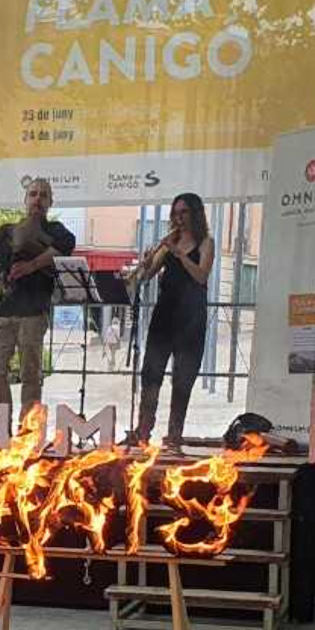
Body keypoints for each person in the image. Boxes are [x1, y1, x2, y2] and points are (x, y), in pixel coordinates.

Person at [127, 192, 215, 448]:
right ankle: (143, 430)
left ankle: (174, 434)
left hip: (191, 317)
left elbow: (201, 276)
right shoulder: (168, 243)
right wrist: (147, 262)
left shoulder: (206, 242)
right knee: (151, 371)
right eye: (175, 213)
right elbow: (147, 275)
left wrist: (180, 254)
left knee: (183, 375)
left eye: (184, 212)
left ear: (195, 214)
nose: (179, 218)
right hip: (165, 313)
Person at [0, 177, 76, 418]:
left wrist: (32, 265)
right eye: (33, 194)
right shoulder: (8, 232)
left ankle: (27, 430)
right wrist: (3, 277)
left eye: (43, 195)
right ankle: (2, 427)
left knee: (30, 373)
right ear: (25, 200)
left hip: (34, 312)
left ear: (50, 202)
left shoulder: (55, 230)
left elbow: (66, 245)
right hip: (4, 311)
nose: (37, 199)